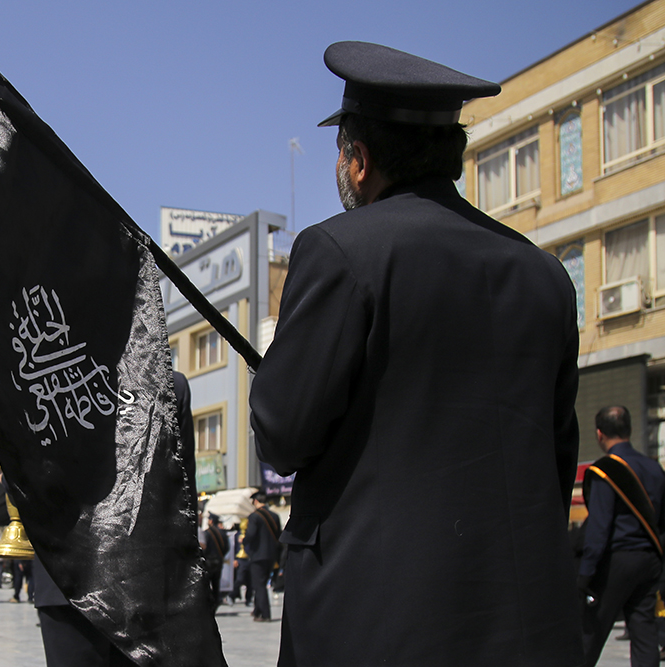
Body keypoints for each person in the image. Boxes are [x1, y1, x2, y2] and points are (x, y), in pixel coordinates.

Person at [249, 41, 583, 666]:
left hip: (375, 625)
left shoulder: (340, 251)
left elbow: (283, 434)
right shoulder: (545, 276)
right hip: (526, 628)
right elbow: (554, 461)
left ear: (358, 161)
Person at [579, 406, 665, 667]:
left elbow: (599, 525)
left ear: (599, 433)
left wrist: (586, 572)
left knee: (589, 631)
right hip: (650, 560)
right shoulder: (654, 468)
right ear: (628, 430)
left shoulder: (605, 470)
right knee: (644, 632)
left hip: (617, 561)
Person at [244, 492, 281, 622]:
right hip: (271, 555)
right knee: (262, 583)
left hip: (258, 556)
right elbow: (278, 535)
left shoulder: (254, 516)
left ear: (255, 501)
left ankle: (265, 614)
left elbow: (251, 534)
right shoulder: (275, 516)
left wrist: (244, 541)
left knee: (258, 585)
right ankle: (258, 610)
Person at [201, 514, 229, 613]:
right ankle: (215, 604)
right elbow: (227, 548)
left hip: (208, 562)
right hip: (219, 561)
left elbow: (204, 548)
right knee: (216, 585)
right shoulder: (223, 533)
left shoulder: (207, 533)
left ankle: (208, 606)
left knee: (206, 585)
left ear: (211, 521)